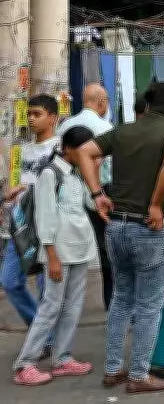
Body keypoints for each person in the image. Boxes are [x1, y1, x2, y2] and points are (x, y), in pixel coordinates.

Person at [76, 82, 164, 394]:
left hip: (117, 227)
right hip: (149, 230)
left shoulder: (122, 131)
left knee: (121, 300)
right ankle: (139, 374)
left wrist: (97, 193)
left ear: (147, 104)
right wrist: (155, 203)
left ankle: (113, 369)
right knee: (149, 305)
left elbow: (84, 151)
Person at [12, 126, 97, 386]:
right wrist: (51, 255)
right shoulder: (50, 174)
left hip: (80, 248)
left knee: (72, 307)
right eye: (87, 150)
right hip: (59, 251)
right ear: (70, 149)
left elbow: (91, 204)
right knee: (51, 306)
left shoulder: (78, 174)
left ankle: (63, 358)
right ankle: (25, 363)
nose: (91, 155)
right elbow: (45, 217)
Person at [1, 94, 59, 327]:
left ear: (52, 118)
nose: (32, 119)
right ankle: (38, 328)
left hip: (47, 225)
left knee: (48, 288)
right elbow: (17, 182)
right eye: (29, 114)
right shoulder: (21, 150)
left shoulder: (61, 148)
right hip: (21, 225)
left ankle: (46, 338)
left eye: (37, 114)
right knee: (10, 281)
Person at [58, 83, 114, 310]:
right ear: (101, 101)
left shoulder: (65, 126)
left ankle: (65, 302)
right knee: (107, 251)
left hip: (68, 190)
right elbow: (108, 166)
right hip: (100, 192)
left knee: (68, 246)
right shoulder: (105, 127)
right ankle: (111, 302)